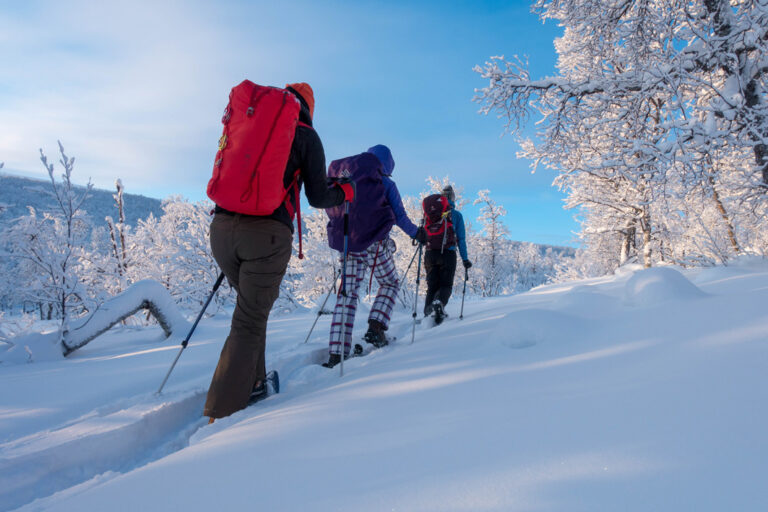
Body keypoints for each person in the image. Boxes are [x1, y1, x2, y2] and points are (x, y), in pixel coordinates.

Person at [204, 82, 353, 421]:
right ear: (309, 109)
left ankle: (255, 383)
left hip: (222, 230)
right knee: (249, 321)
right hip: (266, 236)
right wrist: (343, 195)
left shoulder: (253, 120)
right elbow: (317, 196)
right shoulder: (306, 136)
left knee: (251, 314)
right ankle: (221, 415)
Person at [324, 144, 426, 368]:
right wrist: (418, 234)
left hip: (348, 244)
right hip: (375, 243)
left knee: (347, 294)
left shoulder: (345, 178)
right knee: (390, 283)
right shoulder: (385, 183)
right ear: (387, 165)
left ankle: (336, 353)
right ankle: (376, 327)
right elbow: (400, 217)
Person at [423, 184, 471, 324]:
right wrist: (465, 259)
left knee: (432, 286)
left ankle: (427, 315)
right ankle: (438, 304)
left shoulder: (429, 214)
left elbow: (423, 234)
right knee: (446, 285)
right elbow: (461, 239)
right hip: (448, 254)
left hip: (430, 254)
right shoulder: (456, 215)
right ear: (453, 198)